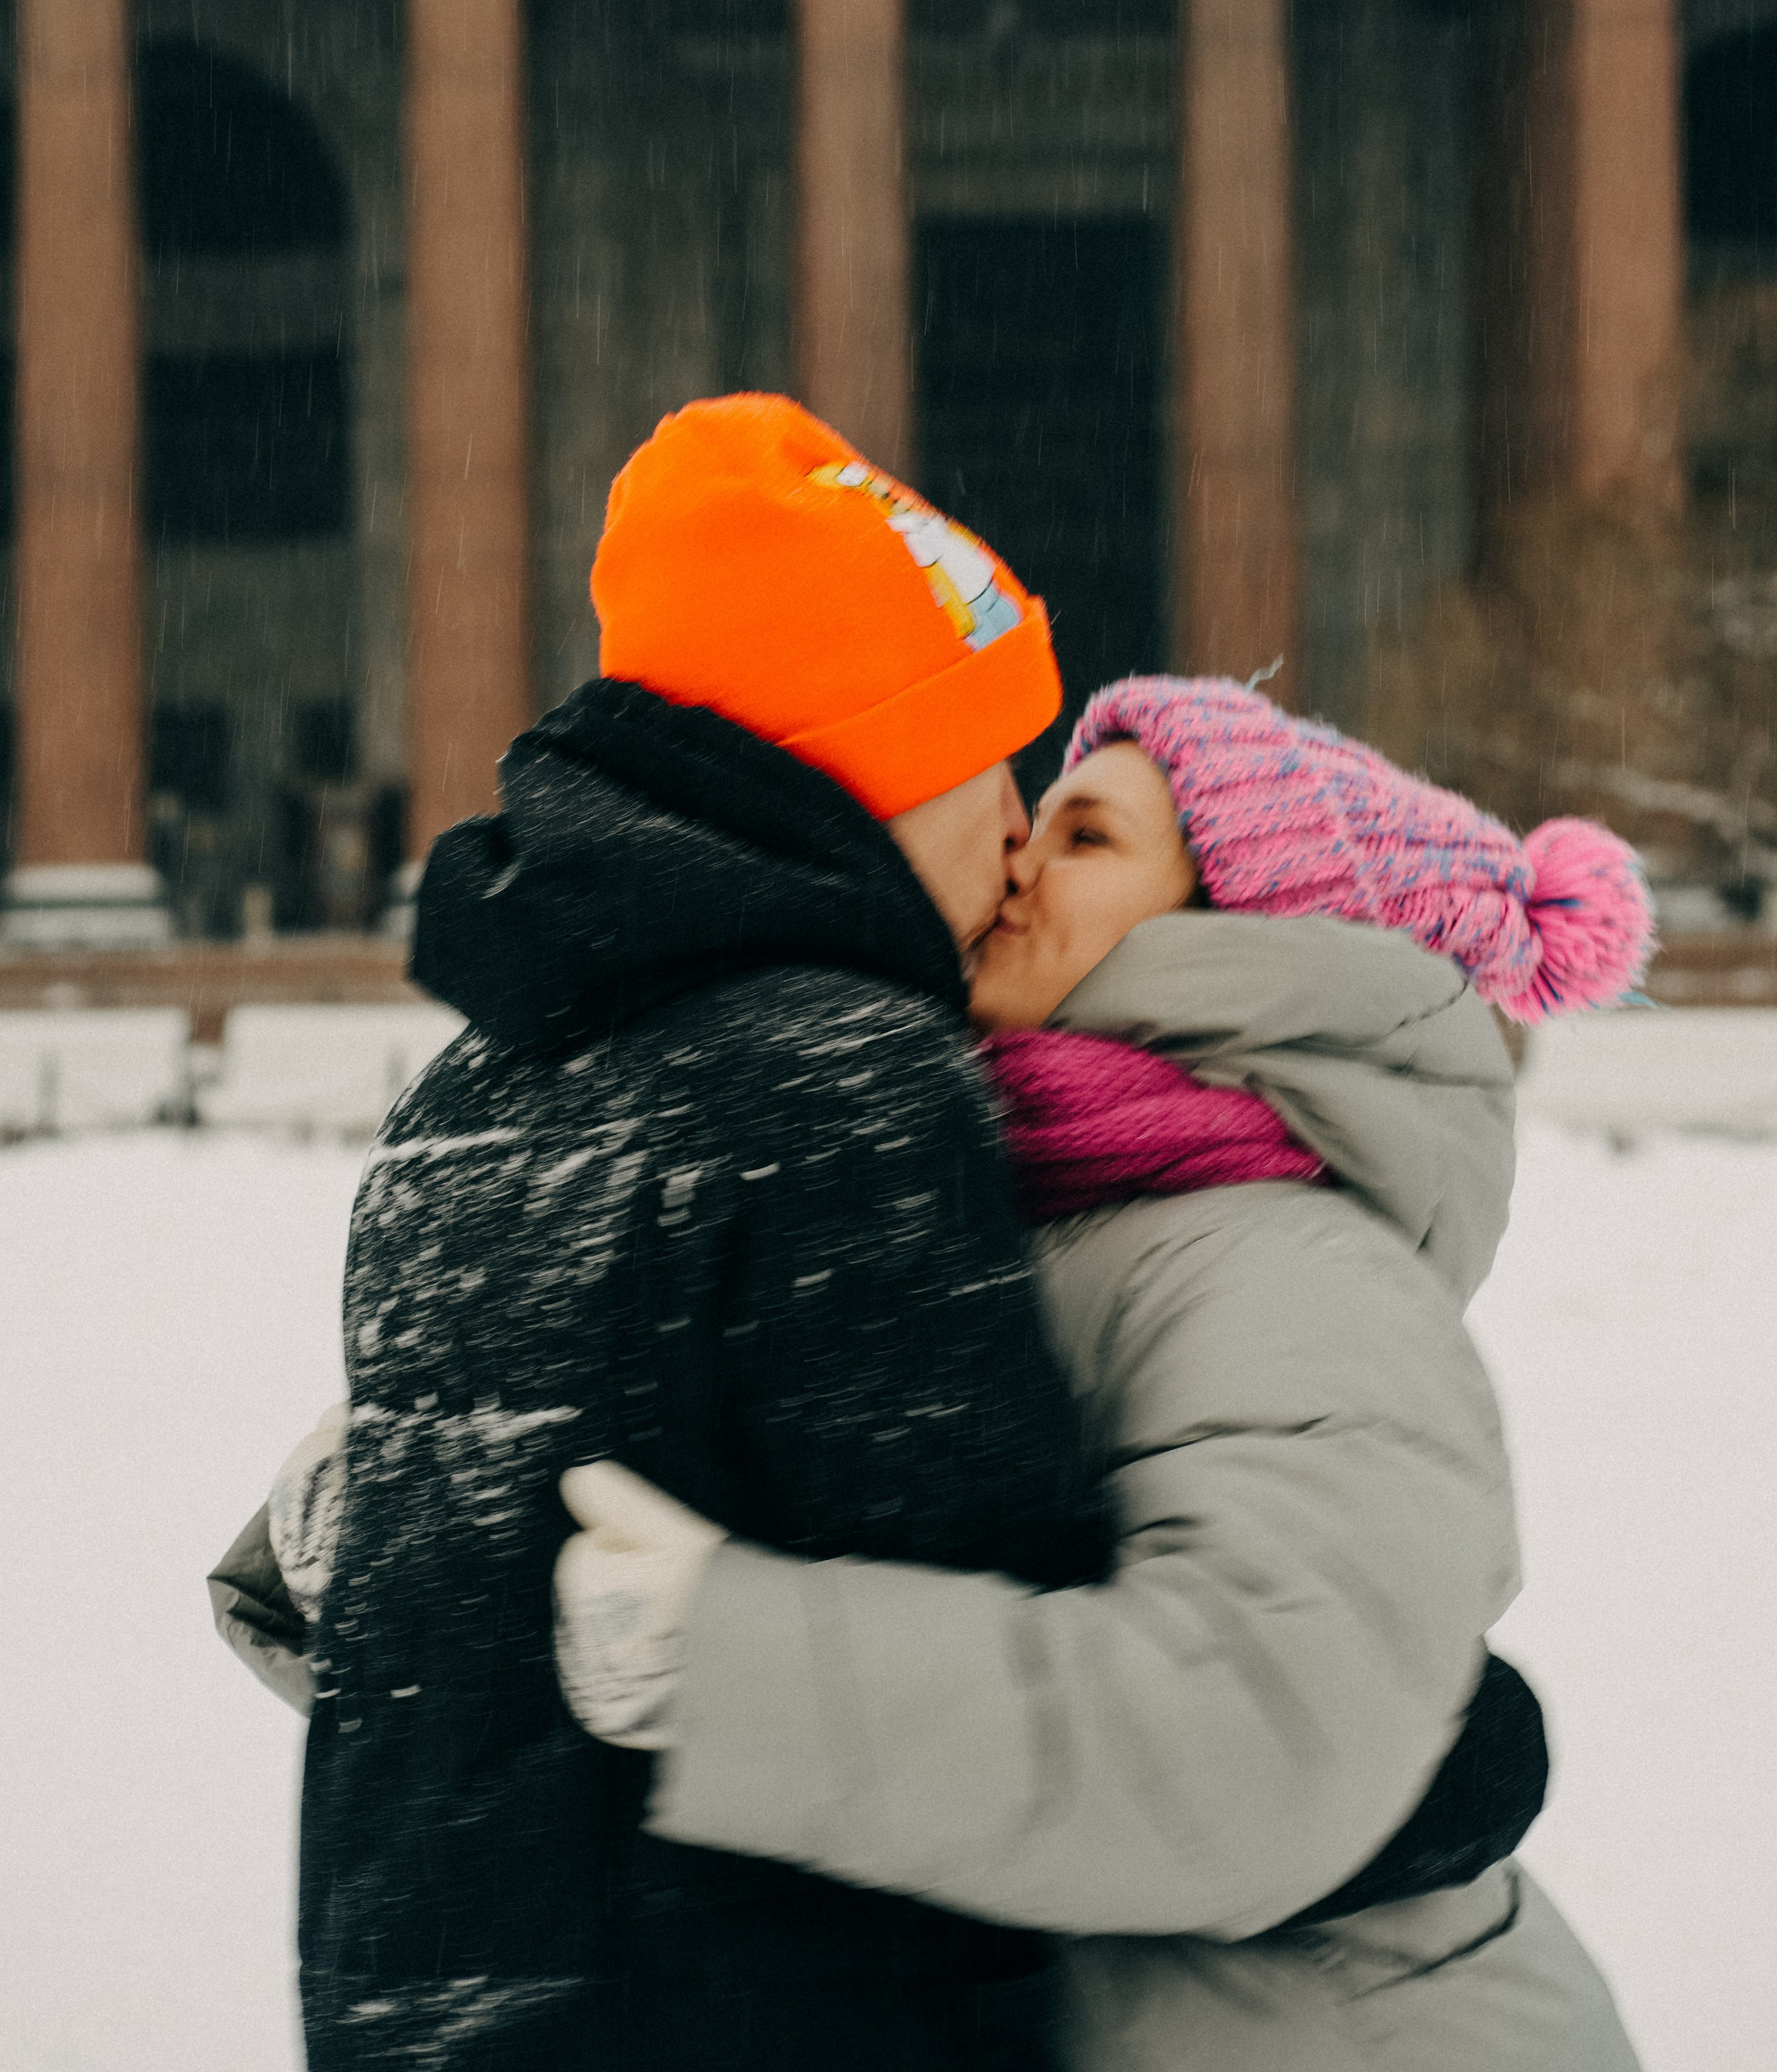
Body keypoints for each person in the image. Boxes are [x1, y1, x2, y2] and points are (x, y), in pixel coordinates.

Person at [554, 675, 1651, 2070]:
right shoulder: (1007, 1219)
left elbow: (1249, 1740)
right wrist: (437, 1521)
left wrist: (717, 1662)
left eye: (1084, 839)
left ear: (1249, 936)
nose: (1013, 859)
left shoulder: (1292, 1274)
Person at [214, 392, 1118, 2072]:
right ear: (839, 762)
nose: (1017, 822)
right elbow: (987, 1649)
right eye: (975, 754)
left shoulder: (463, 1091)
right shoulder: (850, 1080)